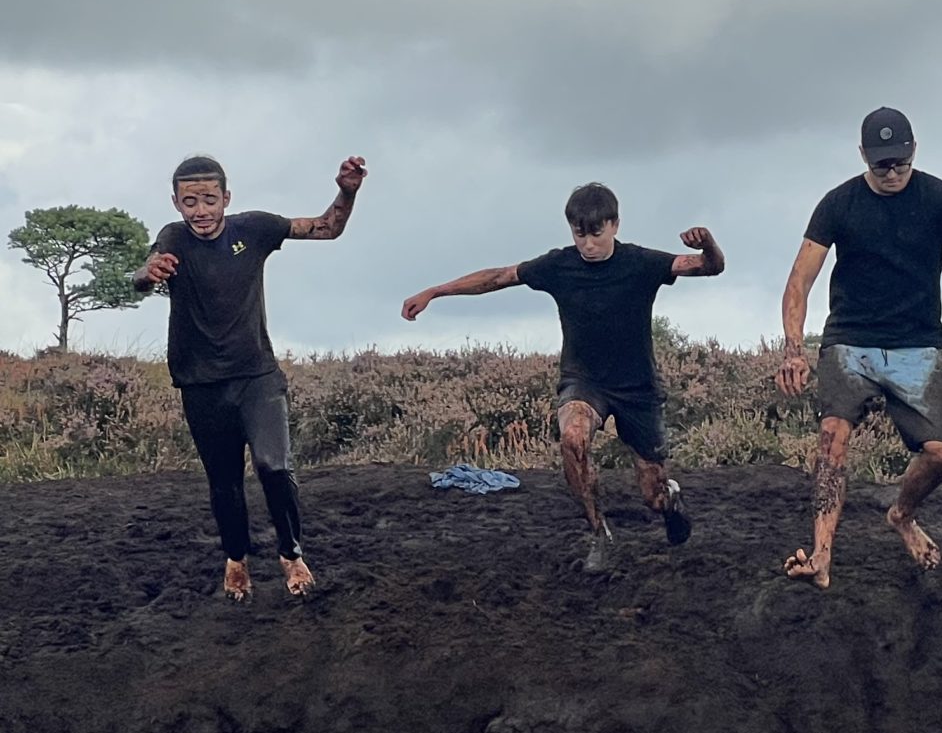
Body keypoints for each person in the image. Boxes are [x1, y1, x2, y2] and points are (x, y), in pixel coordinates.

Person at [401, 183, 725, 572]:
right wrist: (436, 291)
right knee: (572, 436)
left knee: (652, 496)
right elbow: (500, 277)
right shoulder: (558, 266)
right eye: (579, 234)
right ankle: (599, 533)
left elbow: (709, 267)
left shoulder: (640, 262)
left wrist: (707, 244)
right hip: (584, 381)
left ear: (615, 225)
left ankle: (670, 499)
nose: (588, 244)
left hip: (637, 389)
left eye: (597, 234)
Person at [775, 107, 942, 582]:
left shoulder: (938, 196)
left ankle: (902, 515)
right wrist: (793, 348)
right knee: (833, 437)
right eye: (881, 165)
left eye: (899, 162)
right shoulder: (838, 204)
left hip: (916, 345)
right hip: (850, 340)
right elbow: (799, 280)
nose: (892, 173)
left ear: (914, 152)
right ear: (863, 158)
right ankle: (822, 555)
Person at [133, 152, 367, 602]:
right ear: (176, 203)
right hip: (200, 381)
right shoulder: (173, 238)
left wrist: (347, 192)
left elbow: (327, 227)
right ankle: (236, 560)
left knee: (274, 467)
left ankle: (291, 554)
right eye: (189, 202)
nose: (200, 211)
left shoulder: (254, 228)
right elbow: (145, 273)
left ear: (226, 198)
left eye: (208, 199)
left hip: (257, 375)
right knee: (224, 481)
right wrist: (150, 272)